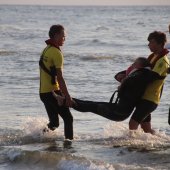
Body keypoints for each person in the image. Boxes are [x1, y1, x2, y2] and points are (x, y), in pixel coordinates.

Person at [53, 57, 164, 122]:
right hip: (118, 109)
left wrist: (124, 81)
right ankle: (66, 99)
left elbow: (133, 80)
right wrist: (123, 78)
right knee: (91, 104)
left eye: (134, 63)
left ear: (140, 66)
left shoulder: (141, 75)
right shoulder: (136, 74)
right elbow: (118, 75)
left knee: (92, 106)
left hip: (120, 112)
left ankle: (65, 101)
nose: (132, 65)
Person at [129, 31, 169, 134]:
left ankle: (130, 146)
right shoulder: (152, 57)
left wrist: (132, 79)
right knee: (146, 129)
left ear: (160, 44)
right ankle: (165, 141)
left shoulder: (163, 61)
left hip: (150, 99)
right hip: (144, 97)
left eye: (151, 42)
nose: (148, 45)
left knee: (132, 124)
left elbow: (151, 77)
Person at [39, 25, 74, 141]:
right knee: (68, 118)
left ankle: (37, 138)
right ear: (56, 35)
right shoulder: (56, 53)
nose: (64, 39)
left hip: (43, 93)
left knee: (54, 123)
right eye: (63, 36)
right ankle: (69, 145)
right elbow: (60, 78)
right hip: (53, 92)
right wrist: (67, 97)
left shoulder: (46, 49)